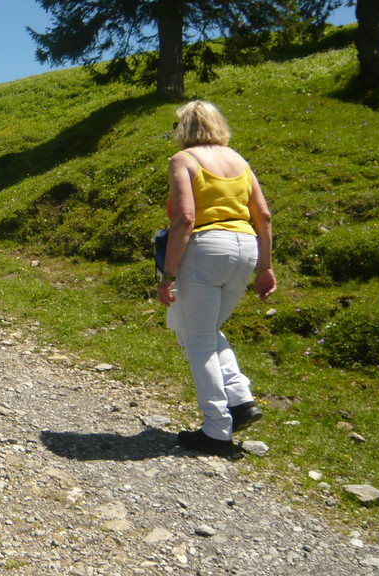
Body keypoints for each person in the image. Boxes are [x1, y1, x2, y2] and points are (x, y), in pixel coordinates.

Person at [156, 100, 277, 455]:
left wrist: (168, 275)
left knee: (198, 342)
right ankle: (240, 401)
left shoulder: (184, 160)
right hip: (246, 248)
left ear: (184, 128)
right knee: (206, 330)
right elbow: (264, 216)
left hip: (207, 249)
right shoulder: (239, 160)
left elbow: (185, 220)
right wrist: (266, 267)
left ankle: (217, 430)